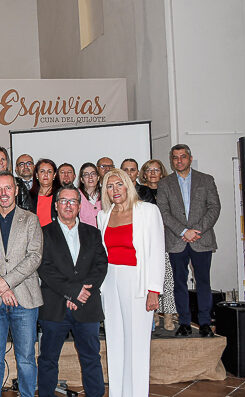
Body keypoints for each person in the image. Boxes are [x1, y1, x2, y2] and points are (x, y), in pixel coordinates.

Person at [97, 169, 165, 397]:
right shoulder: (103, 216)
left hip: (137, 281)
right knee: (115, 341)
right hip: (110, 281)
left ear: (128, 185)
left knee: (136, 344)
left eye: (119, 184)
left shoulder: (148, 211)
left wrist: (153, 290)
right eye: (109, 186)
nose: (114, 190)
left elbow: (156, 252)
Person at [37, 186, 107, 397]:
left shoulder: (93, 233)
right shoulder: (44, 233)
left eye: (73, 201)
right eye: (64, 201)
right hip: (55, 307)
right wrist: (72, 292)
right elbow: (44, 268)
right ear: (56, 205)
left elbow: (101, 265)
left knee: (92, 358)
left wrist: (81, 294)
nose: (68, 205)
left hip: (87, 307)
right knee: (48, 359)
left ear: (79, 206)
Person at [0, 171, 43, 397]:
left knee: (25, 359)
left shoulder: (31, 219)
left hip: (24, 298)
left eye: (8, 188)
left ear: (16, 190)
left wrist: (6, 283)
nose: (4, 193)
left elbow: (34, 257)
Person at [156, 144, 221, 337]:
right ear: (171, 160)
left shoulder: (206, 180)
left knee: (203, 282)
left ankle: (204, 323)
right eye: (175, 157)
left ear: (190, 158)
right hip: (177, 240)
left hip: (201, 238)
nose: (179, 161)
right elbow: (163, 211)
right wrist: (183, 231)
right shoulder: (164, 183)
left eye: (183, 157)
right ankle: (184, 322)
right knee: (179, 283)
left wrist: (196, 230)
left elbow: (214, 208)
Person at [140, 159, 176, 330]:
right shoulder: (139, 192)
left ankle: (168, 316)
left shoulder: (169, 189)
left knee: (167, 279)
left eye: (156, 169)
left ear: (162, 172)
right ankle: (153, 315)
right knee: (149, 279)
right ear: (144, 173)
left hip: (167, 238)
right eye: (149, 170)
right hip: (146, 240)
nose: (153, 173)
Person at [28, 158, 60, 226]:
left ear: (54, 175)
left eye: (49, 172)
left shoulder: (60, 195)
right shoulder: (29, 196)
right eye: (42, 171)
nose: (46, 174)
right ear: (36, 175)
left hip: (56, 234)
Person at [77, 162, 102, 227]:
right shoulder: (76, 195)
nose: (90, 177)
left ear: (98, 177)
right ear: (82, 179)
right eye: (86, 175)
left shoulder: (105, 194)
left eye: (93, 174)